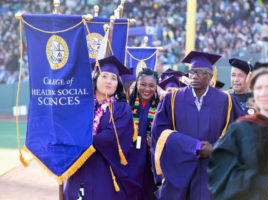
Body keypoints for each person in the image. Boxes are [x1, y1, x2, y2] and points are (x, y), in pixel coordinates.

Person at [151, 51, 245, 200]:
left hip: (213, 171)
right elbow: (160, 135)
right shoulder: (171, 99)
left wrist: (215, 149)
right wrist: (192, 147)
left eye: (200, 72)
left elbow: (240, 133)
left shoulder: (226, 100)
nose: (194, 76)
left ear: (210, 76)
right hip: (180, 171)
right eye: (192, 72)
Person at [208, 60, 268, 200]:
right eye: (259, 88)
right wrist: (266, 184)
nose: (264, 93)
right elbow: (221, 175)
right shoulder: (239, 130)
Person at [63, 56, 138, 200]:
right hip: (79, 168)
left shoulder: (122, 109)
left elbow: (111, 137)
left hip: (105, 170)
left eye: (113, 78)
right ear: (95, 78)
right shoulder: (80, 105)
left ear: (118, 84)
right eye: (104, 76)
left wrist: (80, 139)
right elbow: (69, 129)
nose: (108, 81)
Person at [127, 68, 160, 200]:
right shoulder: (126, 105)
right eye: (143, 84)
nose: (147, 89)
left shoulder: (161, 107)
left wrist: (155, 141)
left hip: (150, 164)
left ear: (156, 87)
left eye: (151, 85)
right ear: (137, 84)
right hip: (129, 161)